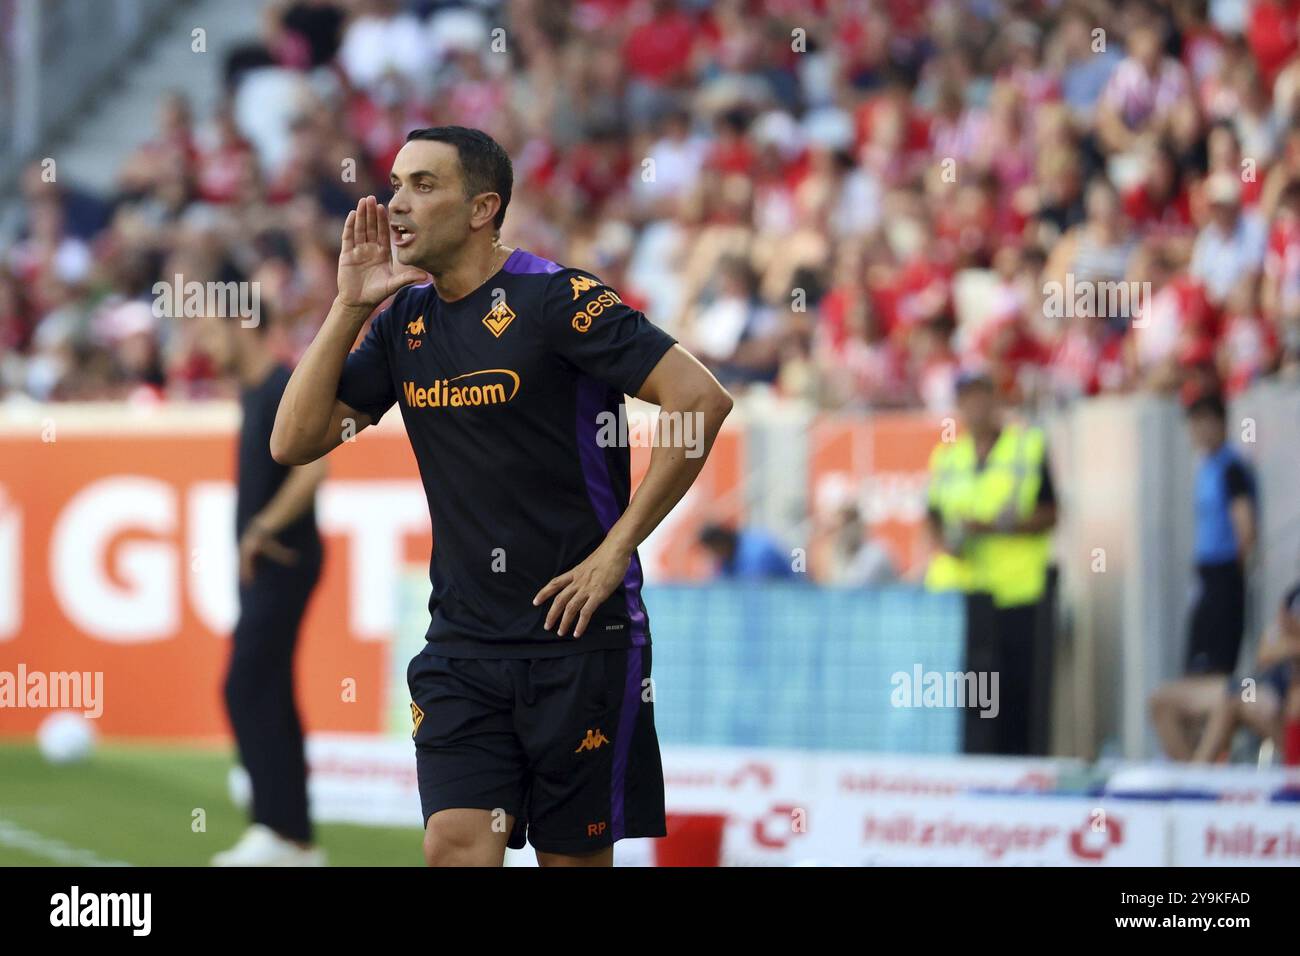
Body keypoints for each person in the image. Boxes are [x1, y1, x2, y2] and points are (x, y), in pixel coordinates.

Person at [270, 126, 733, 867]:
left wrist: (617, 551)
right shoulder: (402, 325)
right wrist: (350, 306)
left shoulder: (558, 299)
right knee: (454, 845)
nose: (397, 204)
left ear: (483, 207)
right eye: (395, 183)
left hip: (578, 636)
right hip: (462, 642)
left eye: (424, 186)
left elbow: (699, 401)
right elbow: (292, 441)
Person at [200, 307, 328, 866]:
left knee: (245, 684)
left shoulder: (280, 384)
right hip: (268, 564)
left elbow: (314, 468)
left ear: (240, 325)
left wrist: (261, 529)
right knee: (268, 688)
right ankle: (291, 837)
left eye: (209, 329)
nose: (203, 343)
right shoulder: (252, 390)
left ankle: (278, 830)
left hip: (285, 557)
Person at [924, 369, 1058, 755]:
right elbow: (932, 514)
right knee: (968, 701)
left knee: (1015, 699)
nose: (975, 406)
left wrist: (995, 528)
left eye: (981, 395)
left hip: (1014, 594)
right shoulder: (949, 455)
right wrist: (945, 543)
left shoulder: (1026, 446)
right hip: (963, 596)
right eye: (966, 397)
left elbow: (1050, 513)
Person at [1150, 392, 1258, 760]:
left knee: (1213, 678)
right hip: (1208, 579)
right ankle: (1195, 761)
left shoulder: (1231, 469)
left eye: (1203, 421)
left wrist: (1230, 582)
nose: (1197, 431)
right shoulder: (1206, 467)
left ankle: (1211, 759)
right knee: (1192, 678)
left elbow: (1245, 528)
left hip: (1222, 580)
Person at [1192, 579, 1300, 764]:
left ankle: (1200, 770)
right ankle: (1199, 769)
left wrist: (1288, 644)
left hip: (1278, 699)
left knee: (1237, 698)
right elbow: (1265, 653)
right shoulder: (1293, 594)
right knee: (1236, 692)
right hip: (1260, 685)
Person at [698, 522, 796, 581]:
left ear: (719, 543)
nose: (712, 555)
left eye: (711, 550)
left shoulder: (757, 552)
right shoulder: (725, 559)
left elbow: (755, 588)